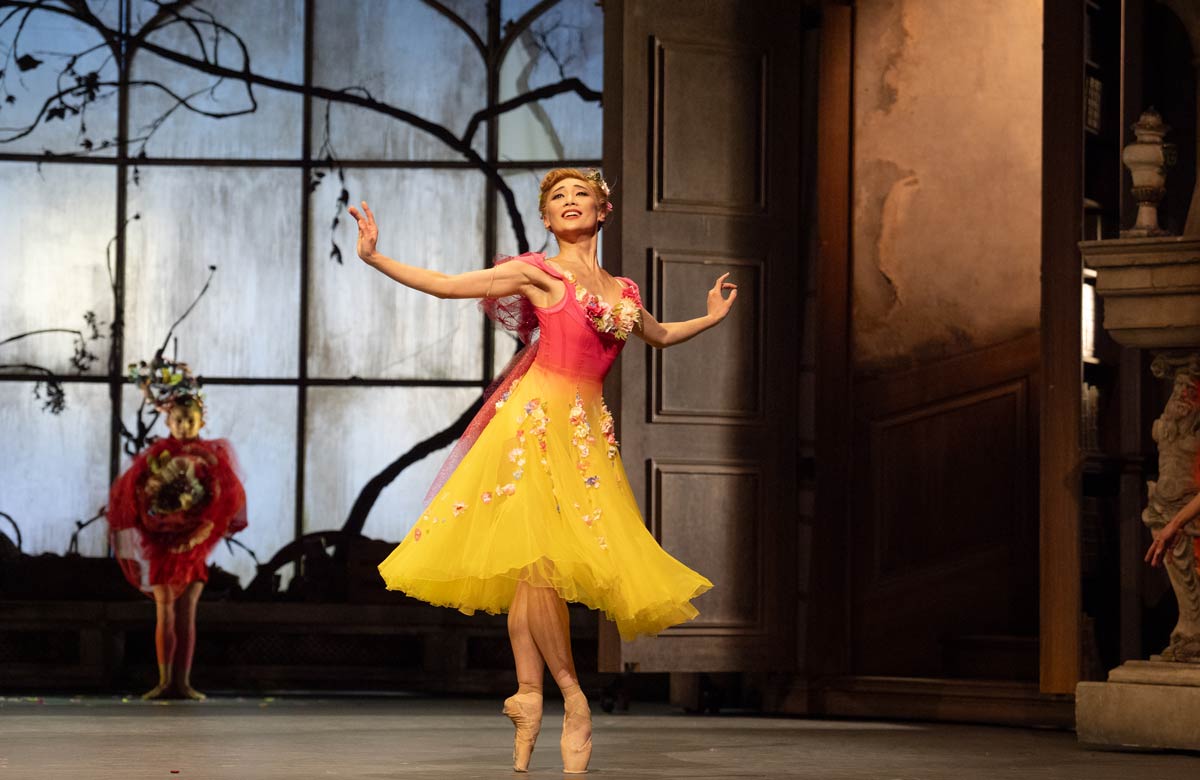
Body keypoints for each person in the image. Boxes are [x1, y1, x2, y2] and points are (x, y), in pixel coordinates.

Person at [351, 168, 736, 773]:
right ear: (548, 219)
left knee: (538, 572)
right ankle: (574, 700)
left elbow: (658, 335)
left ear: (602, 211)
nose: (569, 201)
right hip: (531, 426)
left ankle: (530, 697)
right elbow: (451, 284)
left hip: (583, 438)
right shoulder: (538, 272)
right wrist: (378, 259)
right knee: (533, 562)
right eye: (558, 197)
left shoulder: (624, 290)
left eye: (581, 193)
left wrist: (709, 319)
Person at [107, 363, 247, 700]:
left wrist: (200, 529)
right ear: (169, 422)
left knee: (186, 614)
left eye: (190, 419)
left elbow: (224, 500)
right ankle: (164, 680)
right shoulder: (156, 456)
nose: (184, 425)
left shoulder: (212, 458)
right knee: (164, 611)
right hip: (162, 543)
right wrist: (157, 519)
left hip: (194, 544)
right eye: (178, 420)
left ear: (201, 421)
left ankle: (182, 682)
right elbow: (137, 496)